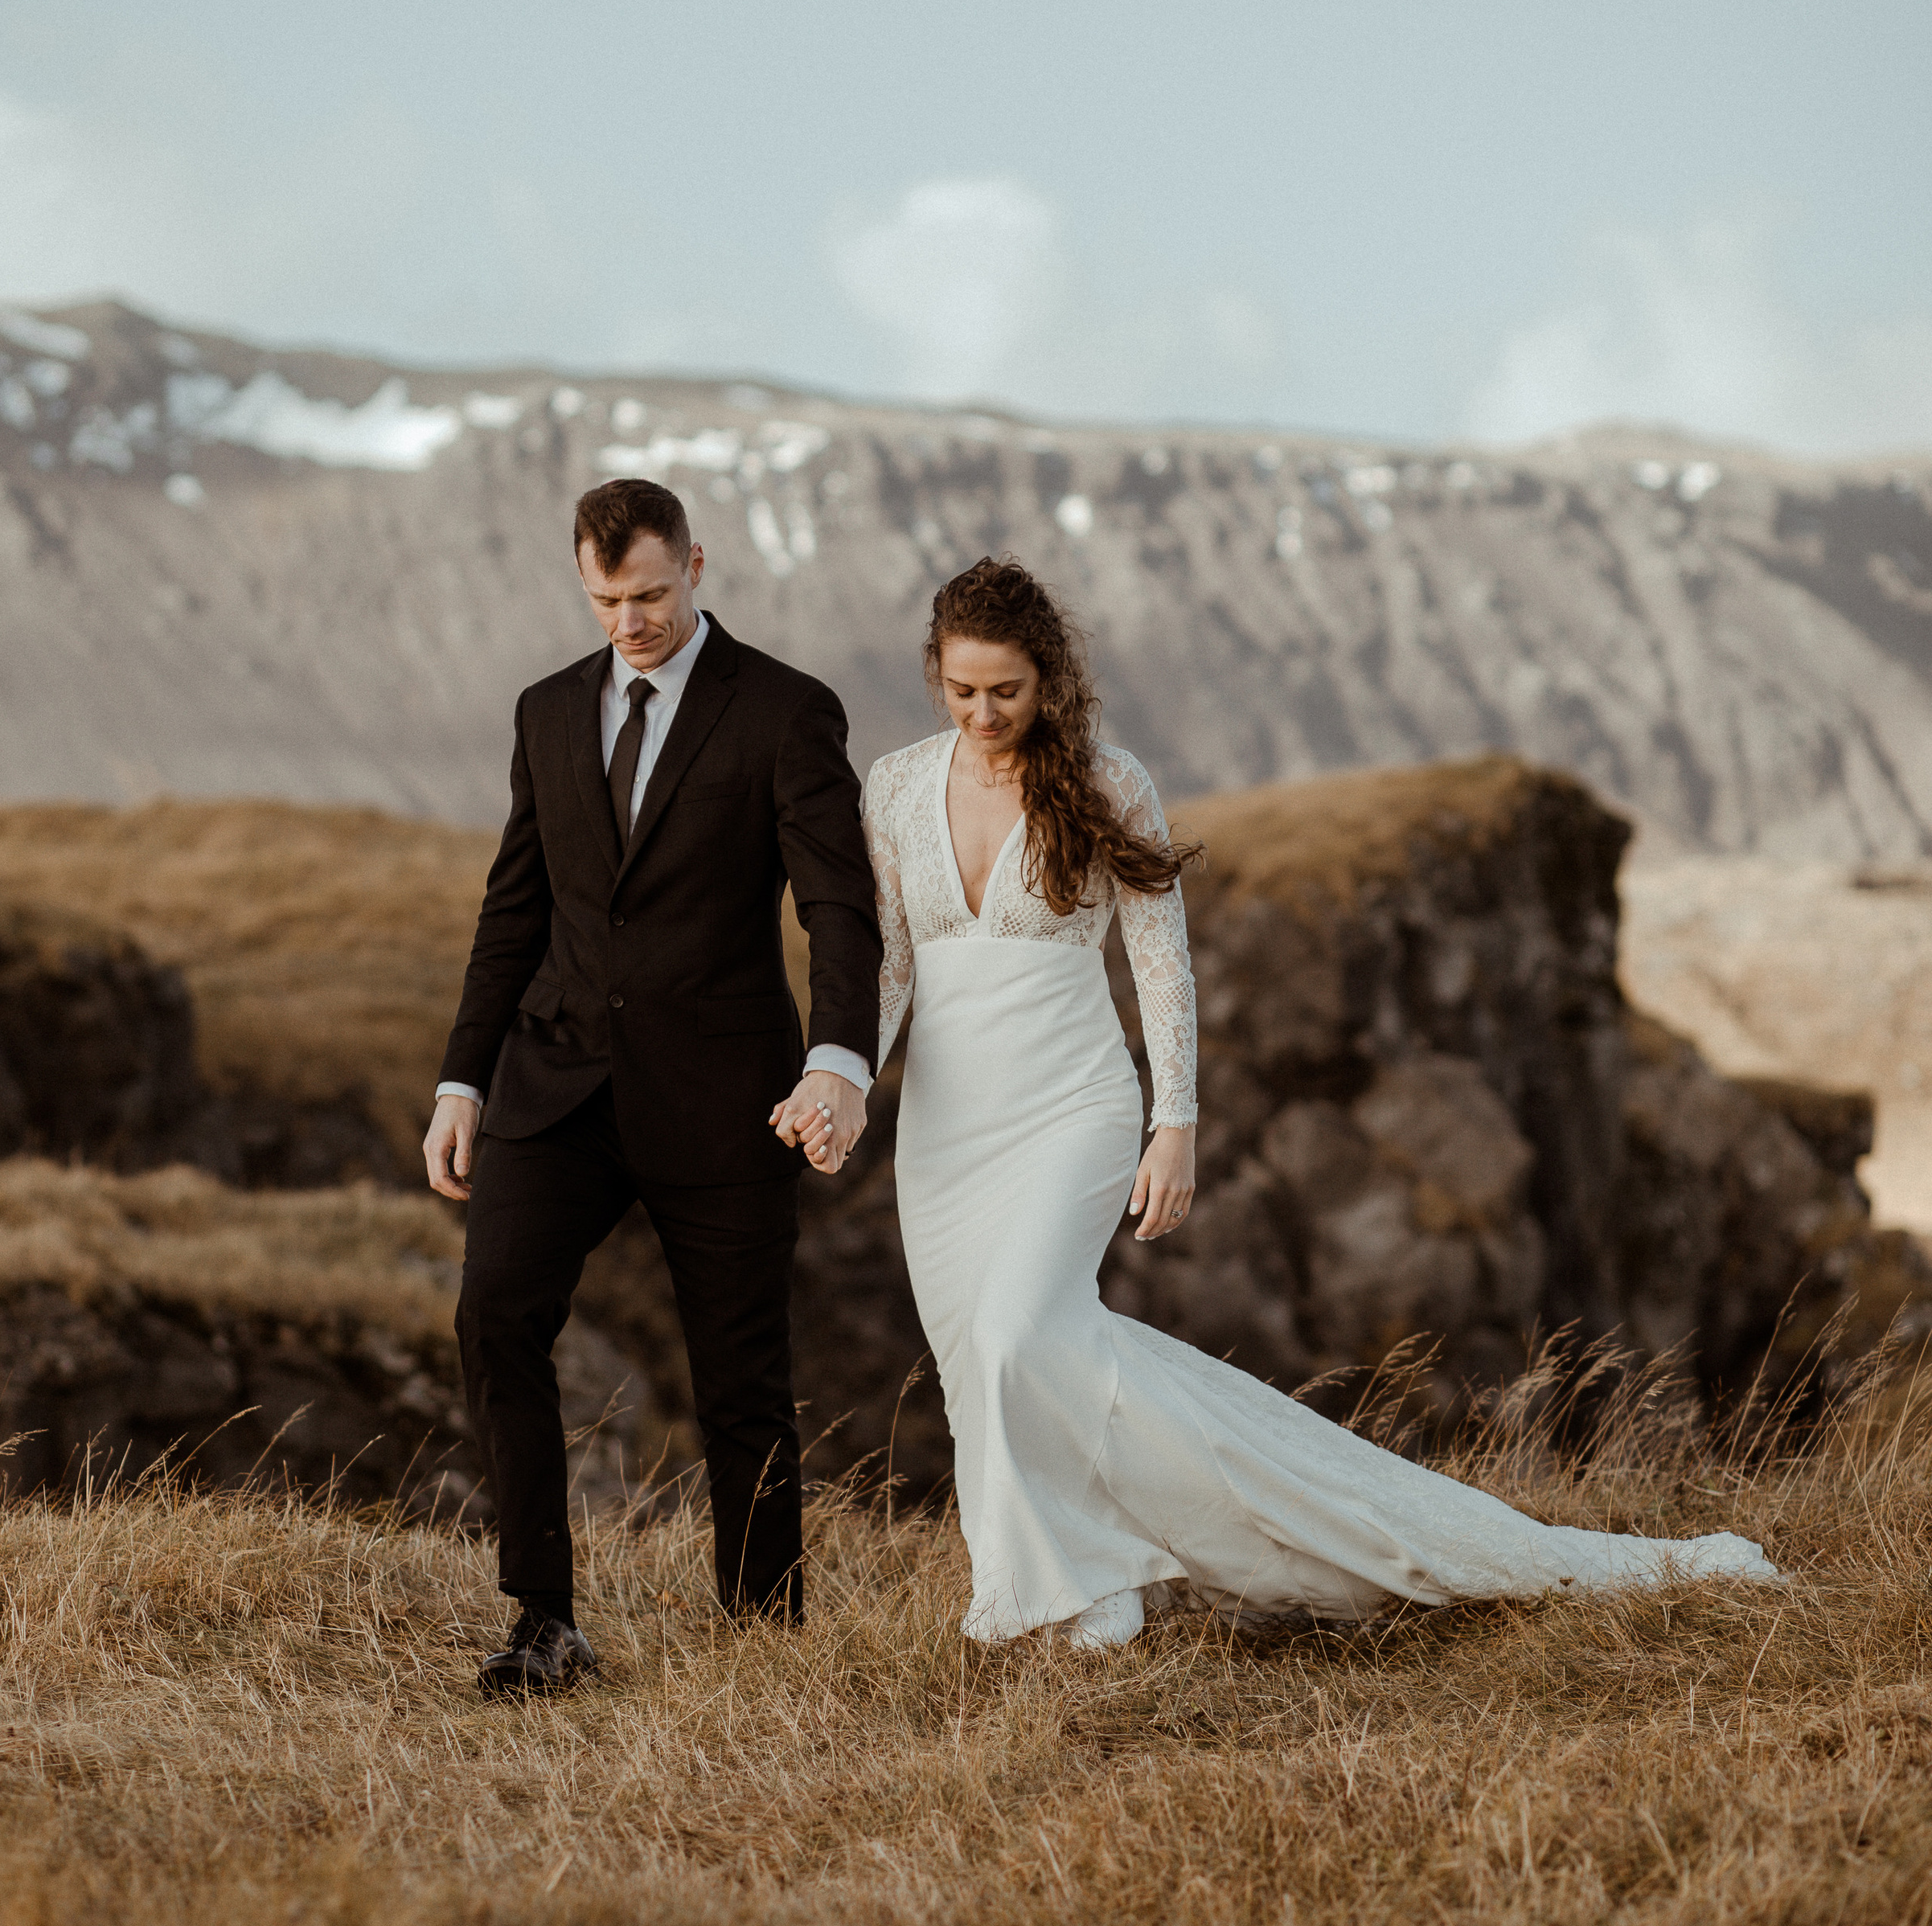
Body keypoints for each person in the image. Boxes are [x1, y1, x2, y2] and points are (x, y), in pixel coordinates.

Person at [798, 555, 1782, 1650]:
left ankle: (1244, 1534)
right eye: (962, 690)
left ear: (1049, 681)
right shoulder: (893, 786)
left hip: (1068, 1111)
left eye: (1008, 692)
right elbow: (890, 970)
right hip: (945, 1132)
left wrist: (1175, 1125)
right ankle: (1063, 1588)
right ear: (935, 672)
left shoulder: (1108, 783)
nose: (984, 714)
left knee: (1022, 1331)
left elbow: (1163, 967)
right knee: (979, 1365)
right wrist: (838, 1076)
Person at [426, 476, 882, 1696]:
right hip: (555, 1084)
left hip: (725, 1095)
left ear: (698, 565)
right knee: (494, 1316)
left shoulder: (787, 712)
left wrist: (837, 1060)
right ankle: (543, 1622)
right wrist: (462, 1078)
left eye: (648, 594)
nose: (627, 621)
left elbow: (838, 905)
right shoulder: (546, 711)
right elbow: (514, 905)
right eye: (603, 598)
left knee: (741, 1381)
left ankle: (764, 1642)